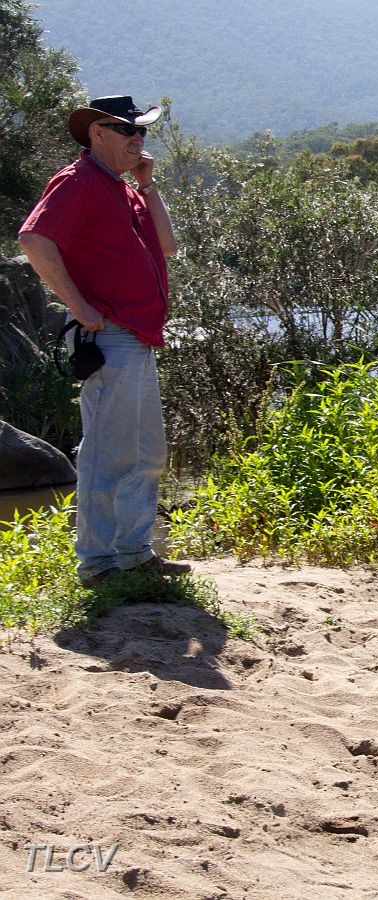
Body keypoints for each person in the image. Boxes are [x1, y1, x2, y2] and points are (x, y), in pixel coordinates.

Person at [18, 96, 190, 587]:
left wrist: (148, 185)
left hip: (135, 337)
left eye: (142, 133)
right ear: (96, 133)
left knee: (145, 450)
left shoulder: (122, 188)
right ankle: (98, 563)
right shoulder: (78, 182)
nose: (137, 140)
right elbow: (34, 239)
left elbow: (168, 245)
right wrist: (80, 308)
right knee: (109, 451)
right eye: (125, 131)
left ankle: (134, 554)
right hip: (110, 335)